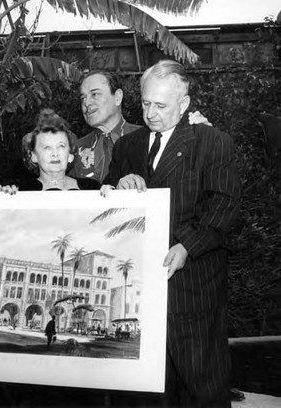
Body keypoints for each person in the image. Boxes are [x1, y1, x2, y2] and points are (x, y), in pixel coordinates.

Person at [102, 60, 241, 407]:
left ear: (184, 104)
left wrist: (187, 247)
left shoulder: (213, 142)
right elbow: (107, 206)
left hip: (193, 287)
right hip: (140, 288)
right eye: (146, 103)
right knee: (153, 388)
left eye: (160, 106)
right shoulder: (126, 148)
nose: (150, 113)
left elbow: (225, 205)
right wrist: (116, 186)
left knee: (201, 382)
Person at [69, 70, 211, 183]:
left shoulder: (151, 139)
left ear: (117, 97)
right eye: (83, 98)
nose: (87, 103)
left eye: (94, 94)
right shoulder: (74, 148)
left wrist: (199, 138)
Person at [0, 109, 100, 193]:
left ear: (70, 155)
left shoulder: (92, 188)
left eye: (61, 146)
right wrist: (4, 198)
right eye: (47, 147)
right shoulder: (22, 192)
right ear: (33, 156)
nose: (55, 153)